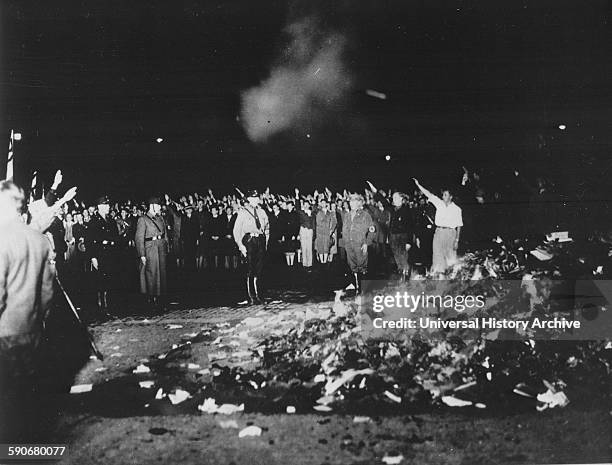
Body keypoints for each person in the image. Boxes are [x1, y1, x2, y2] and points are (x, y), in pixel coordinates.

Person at [0, 180, 55, 442]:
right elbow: (47, 292)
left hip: (5, 331)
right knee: (28, 394)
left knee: (7, 399)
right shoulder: (39, 239)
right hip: (33, 328)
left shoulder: (2, 239)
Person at [413, 178, 463, 275]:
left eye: (445, 195)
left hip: (450, 234)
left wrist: (457, 240)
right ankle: (438, 279)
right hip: (439, 232)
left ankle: (450, 279)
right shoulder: (439, 203)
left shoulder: (457, 209)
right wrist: (418, 185)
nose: (443, 196)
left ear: (451, 197)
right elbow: (428, 194)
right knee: (437, 257)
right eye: (443, 195)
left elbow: (459, 226)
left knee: (450, 259)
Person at [368, 182, 414, 280]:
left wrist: (409, 242)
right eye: (393, 198)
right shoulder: (392, 209)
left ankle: (406, 278)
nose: (393, 199)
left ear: (401, 199)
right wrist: (373, 189)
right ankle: (401, 275)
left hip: (403, 237)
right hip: (393, 237)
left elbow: (410, 227)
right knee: (397, 258)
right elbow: (382, 199)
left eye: (395, 197)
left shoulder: (407, 210)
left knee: (404, 258)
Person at [233, 190, 269, 304]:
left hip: (260, 240)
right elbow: (236, 231)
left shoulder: (262, 212)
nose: (256, 200)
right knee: (250, 269)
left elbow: (267, 228)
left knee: (259, 268)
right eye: (253, 198)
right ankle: (251, 296)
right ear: (249, 199)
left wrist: (265, 242)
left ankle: (259, 294)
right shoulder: (243, 212)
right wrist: (241, 246)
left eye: (257, 198)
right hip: (249, 241)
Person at [88, 195, 121, 315]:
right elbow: (89, 241)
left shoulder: (111, 221)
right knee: (100, 281)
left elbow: (115, 237)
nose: (108, 207)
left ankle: (109, 305)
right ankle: (101, 307)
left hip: (110, 253)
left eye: (108, 205)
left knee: (110, 279)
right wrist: (93, 257)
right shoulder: (93, 221)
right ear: (100, 207)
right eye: (105, 205)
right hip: (100, 253)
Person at [135, 197, 168, 309]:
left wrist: (166, 247)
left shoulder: (160, 218)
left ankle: (160, 298)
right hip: (150, 249)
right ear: (152, 206)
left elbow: (165, 234)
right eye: (158, 205)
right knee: (152, 273)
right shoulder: (143, 219)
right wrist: (142, 254)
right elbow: (139, 239)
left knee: (161, 274)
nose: (160, 207)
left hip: (160, 248)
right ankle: (151, 298)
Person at [342, 193, 376, 293]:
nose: (351, 203)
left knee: (362, 266)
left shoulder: (365, 215)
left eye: (354, 201)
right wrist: (346, 243)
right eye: (350, 201)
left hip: (360, 244)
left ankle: (363, 289)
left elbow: (372, 230)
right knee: (352, 265)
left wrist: (366, 243)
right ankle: (355, 286)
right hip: (349, 244)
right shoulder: (347, 215)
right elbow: (345, 230)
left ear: (359, 203)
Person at [315, 198, 337, 266]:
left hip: (327, 233)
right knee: (321, 248)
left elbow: (335, 222)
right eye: (322, 203)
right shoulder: (319, 213)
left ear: (327, 204)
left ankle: (325, 263)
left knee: (326, 248)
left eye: (325, 203)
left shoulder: (330, 213)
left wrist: (331, 230)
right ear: (321, 204)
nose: (323, 204)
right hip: (320, 233)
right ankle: (322, 263)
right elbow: (318, 223)